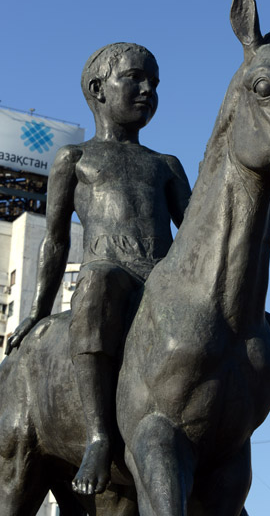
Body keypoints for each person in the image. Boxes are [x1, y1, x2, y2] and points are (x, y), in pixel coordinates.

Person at [5, 42, 191, 496]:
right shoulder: (74, 158)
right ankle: (98, 434)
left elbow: (192, 235)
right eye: (135, 78)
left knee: (264, 328)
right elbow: (55, 239)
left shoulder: (165, 165)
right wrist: (37, 310)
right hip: (111, 276)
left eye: (155, 83)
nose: (148, 89)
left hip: (162, 283)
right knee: (98, 281)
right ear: (98, 89)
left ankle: (225, 451)